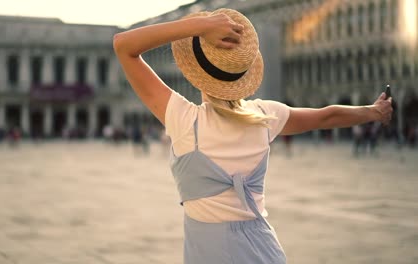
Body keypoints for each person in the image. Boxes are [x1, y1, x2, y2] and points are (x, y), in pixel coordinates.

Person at [113, 8, 393, 264]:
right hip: (264, 250)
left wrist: (199, 26)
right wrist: (372, 111)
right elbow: (326, 116)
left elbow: (124, 46)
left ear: (195, 73)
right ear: (242, 73)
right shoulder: (264, 116)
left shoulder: (185, 120)